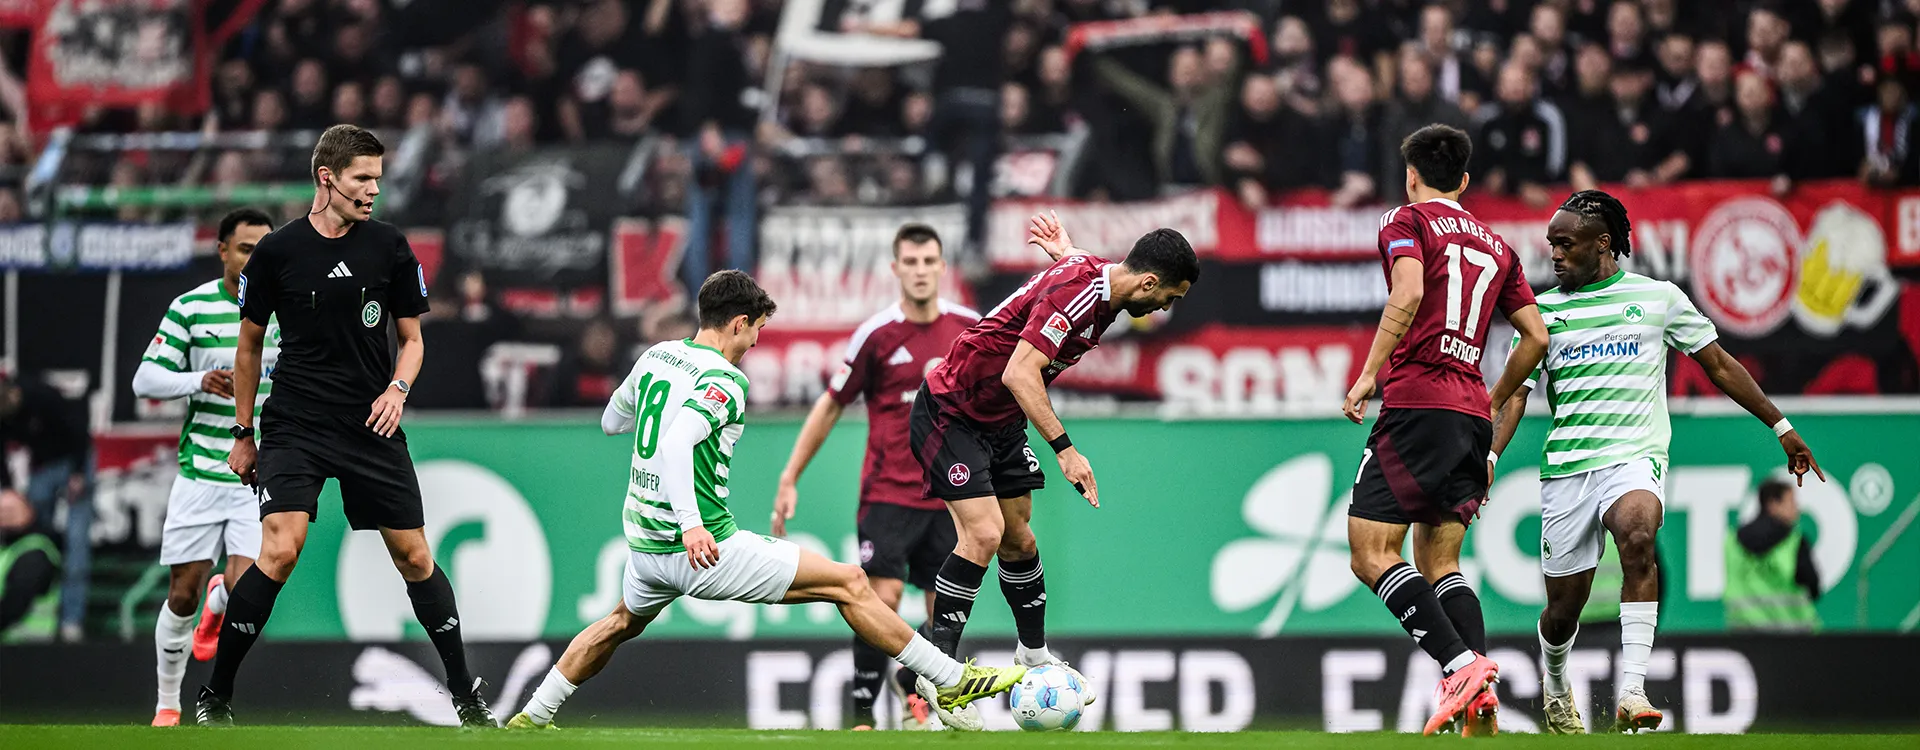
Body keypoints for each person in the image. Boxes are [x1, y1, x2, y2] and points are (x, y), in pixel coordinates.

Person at [507, 271, 1025, 732]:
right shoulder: (725, 380)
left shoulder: (656, 357)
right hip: (702, 549)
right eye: (756, 328)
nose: (756, 341)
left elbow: (611, 422)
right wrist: (691, 524)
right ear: (737, 323)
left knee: (620, 622)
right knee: (850, 583)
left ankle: (533, 714)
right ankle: (950, 678)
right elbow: (674, 442)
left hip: (644, 548)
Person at [1489, 190, 1822, 735]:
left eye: (1564, 243)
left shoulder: (1659, 298)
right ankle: (1554, 682)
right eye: (1550, 244)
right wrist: (1491, 455)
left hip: (1635, 455)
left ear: (1603, 245)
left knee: (1639, 537)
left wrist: (1782, 428)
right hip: (1568, 468)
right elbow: (1517, 395)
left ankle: (1633, 690)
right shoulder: (1543, 314)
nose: (1553, 254)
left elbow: (1717, 364)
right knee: (1561, 613)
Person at [197, 124, 492, 728]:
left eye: (378, 180)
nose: (373, 190)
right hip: (296, 424)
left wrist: (398, 388)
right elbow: (248, 349)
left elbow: (411, 341)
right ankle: (215, 698)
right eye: (363, 178)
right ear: (326, 179)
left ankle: (465, 695)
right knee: (280, 550)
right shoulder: (277, 252)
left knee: (414, 557)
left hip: (370, 425)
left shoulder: (388, 247)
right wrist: (243, 432)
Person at [907, 213, 1199, 725]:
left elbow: (1077, 273)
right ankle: (941, 675)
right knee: (984, 533)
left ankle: (1033, 655)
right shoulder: (1086, 293)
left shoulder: (1097, 278)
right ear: (1149, 282)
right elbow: (1018, 372)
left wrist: (1066, 251)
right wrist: (1065, 448)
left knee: (1020, 539)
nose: (1165, 307)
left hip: (998, 422)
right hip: (953, 410)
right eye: (1170, 296)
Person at [1340, 124, 1549, 738]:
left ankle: (1459, 666)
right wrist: (1492, 396)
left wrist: (1368, 374)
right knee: (1442, 562)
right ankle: (1481, 705)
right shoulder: (1498, 246)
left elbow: (1406, 291)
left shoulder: (1407, 221)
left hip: (1416, 404)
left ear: (1410, 176)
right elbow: (1534, 337)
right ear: (1463, 181)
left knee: (1370, 551)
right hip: (1469, 412)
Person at [771, 224, 980, 731]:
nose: (921, 271)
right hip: (887, 493)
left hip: (951, 494)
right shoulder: (877, 335)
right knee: (879, 597)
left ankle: (917, 694)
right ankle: (863, 715)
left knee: (944, 610)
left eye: (929, 261)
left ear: (942, 267)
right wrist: (789, 476)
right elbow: (830, 406)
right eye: (911, 262)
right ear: (895, 269)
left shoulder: (971, 329)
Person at [132, 208, 279, 727]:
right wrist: (198, 380)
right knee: (182, 593)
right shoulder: (190, 307)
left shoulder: (287, 307)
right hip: (201, 473)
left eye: (263, 249)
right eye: (244, 249)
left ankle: (221, 602)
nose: (254, 258)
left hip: (257, 476)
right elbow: (144, 381)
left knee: (246, 595)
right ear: (223, 250)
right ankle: (167, 703)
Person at [0, 372, 94, 644]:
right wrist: (7, 487)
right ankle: (38, 611)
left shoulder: (41, 396)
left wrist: (77, 473)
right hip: (43, 467)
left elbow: (79, 431)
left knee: (76, 544)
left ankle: (71, 622)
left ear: (11, 395)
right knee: (35, 537)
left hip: (75, 460)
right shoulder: (5, 416)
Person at [1726, 479, 1822, 632]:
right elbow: (1813, 586)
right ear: (1772, 505)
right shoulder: (1793, 542)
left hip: (1744, 631)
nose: (1797, 508)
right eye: (1791, 502)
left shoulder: (1732, 541)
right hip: (1791, 633)